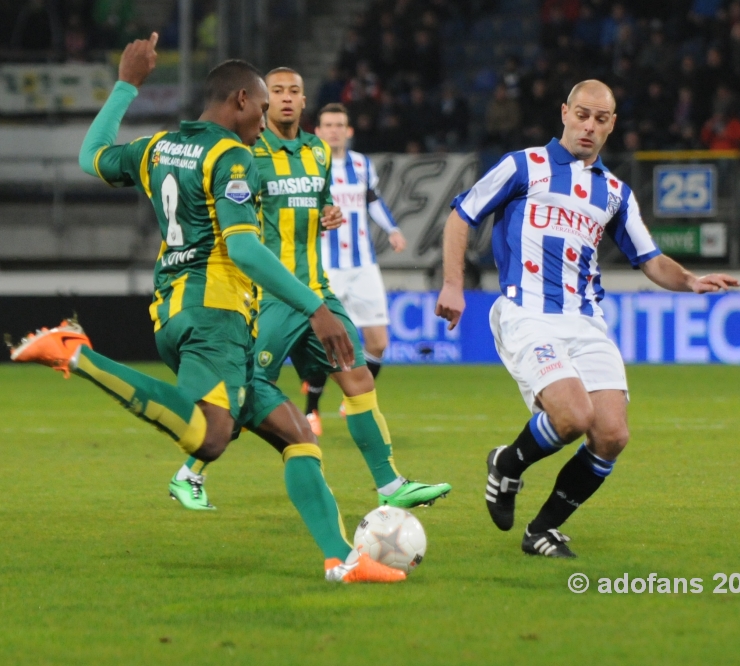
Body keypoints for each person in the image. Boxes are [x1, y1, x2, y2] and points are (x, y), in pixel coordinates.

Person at [10, 34, 402, 583]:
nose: (265, 123)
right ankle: (78, 354)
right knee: (211, 437)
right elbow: (243, 247)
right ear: (240, 100)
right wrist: (317, 307)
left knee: (298, 436)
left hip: (193, 312)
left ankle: (344, 559)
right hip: (212, 310)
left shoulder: (158, 146)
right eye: (263, 109)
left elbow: (90, 156)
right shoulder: (231, 155)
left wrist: (126, 85)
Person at [435, 80, 739, 558]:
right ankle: (508, 464)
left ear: (612, 124)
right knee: (572, 416)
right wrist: (454, 284)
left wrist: (691, 281)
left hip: (587, 322)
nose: (589, 126)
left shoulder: (615, 192)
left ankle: (542, 531)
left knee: (612, 434)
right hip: (528, 314)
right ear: (564, 113)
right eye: (582, 115)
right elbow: (461, 216)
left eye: (601, 119)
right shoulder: (523, 165)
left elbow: (651, 258)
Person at [231, 67, 450, 510]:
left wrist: (327, 213)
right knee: (244, 393)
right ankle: (191, 468)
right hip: (273, 292)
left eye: (295, 91)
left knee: (358, 373)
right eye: (278, 92)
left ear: (304, 100)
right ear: (264, 100)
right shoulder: (247, 154)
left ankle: (390, 484)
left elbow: (320, 201)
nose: (287, 98)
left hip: (318, 286)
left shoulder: (315, 151)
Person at [301, 102, 406, 435]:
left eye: (339, 125)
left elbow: (372, 200)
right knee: (324, 342)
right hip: (326, 268)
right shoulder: (309, 164)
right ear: (317, 131)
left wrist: (392, 229)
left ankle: (351, 400)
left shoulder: (361, 164)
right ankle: (311, 410)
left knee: (378, 342)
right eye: (328, 124)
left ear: (348, 130)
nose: (334, 130)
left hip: (362, 266)